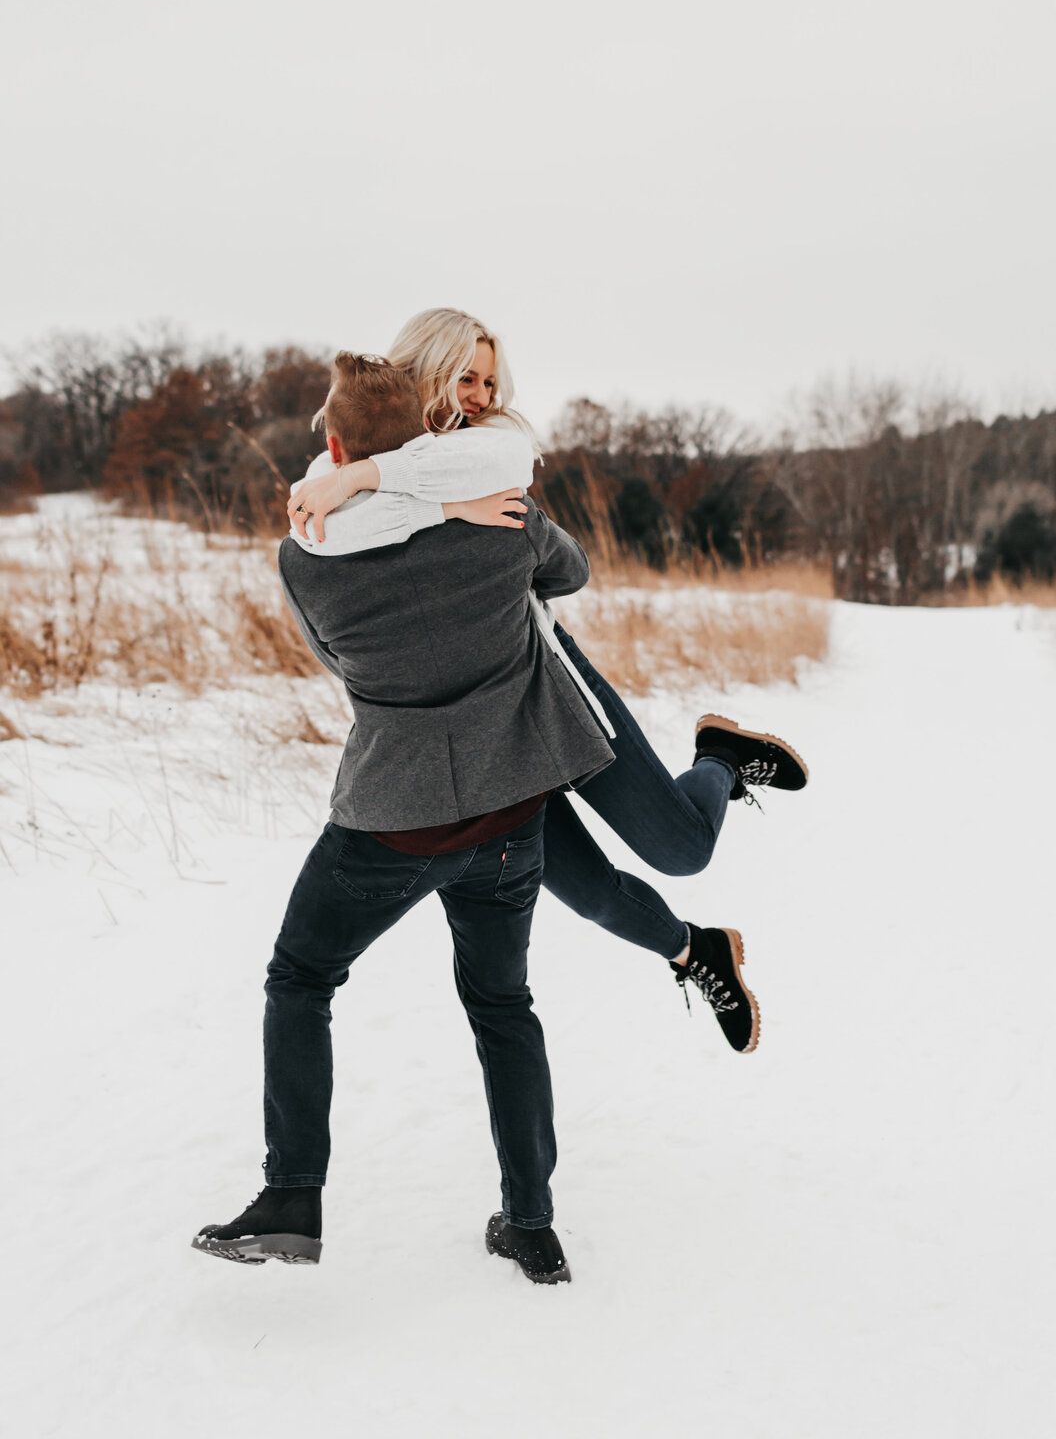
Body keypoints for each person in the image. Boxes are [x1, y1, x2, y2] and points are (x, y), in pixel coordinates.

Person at [193, 354, 615, 1285]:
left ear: (337, 448)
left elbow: (336, 663)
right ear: (433, 442)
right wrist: (464, 510)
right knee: (504, 1006)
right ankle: (533, 1224)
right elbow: (573, 572)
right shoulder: (508, 527)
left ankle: (293, 1196)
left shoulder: (304, 558)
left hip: (392, 821)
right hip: (510, 816)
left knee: (300, 979)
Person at [287, 308, 809, 1057]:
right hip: (482, 742)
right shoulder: (344, 490)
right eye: (464, 375)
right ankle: (696, 952)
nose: (478, 393)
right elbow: (328, 603)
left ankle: (720, 758)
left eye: (489, 380)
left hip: (552, 693)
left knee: (682, 851)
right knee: (592, 895)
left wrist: (488, 530)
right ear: (420, 371)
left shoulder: (492, 461)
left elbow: (570, 569)